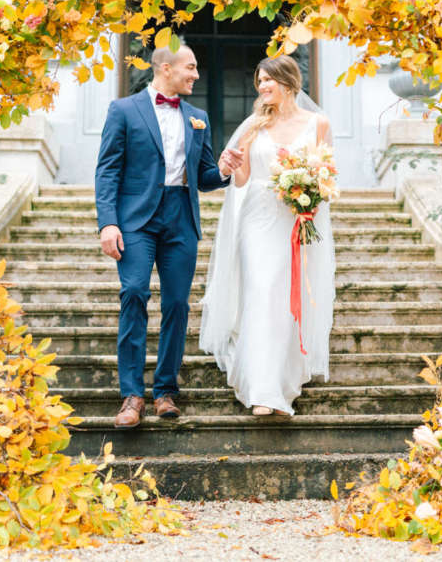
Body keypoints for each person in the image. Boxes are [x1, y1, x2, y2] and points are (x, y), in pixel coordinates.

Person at [95, 41, 244, 428]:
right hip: (135, 219)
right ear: (165, 68)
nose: (196, 75)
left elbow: (205, 177)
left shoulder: (198, 117)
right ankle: (131, 395)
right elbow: (108, 169)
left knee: (177, 305)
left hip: (181, 217)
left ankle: (164, 392)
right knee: (134, 293)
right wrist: (108, 222)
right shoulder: (123, 110)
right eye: (190, 67)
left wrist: (225, 169)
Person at [199, 55, 336, 416]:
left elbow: (326, 174)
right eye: (258, 81)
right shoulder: (253, 127)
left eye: (267, 81)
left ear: (287, 81)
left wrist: (308, 196)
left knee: (286, 300)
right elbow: (241, 180)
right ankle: (262, 391)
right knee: (260, 292)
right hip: (257, 219)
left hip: (294, 218)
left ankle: (281, 382)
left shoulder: (318, 124)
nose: (261, 87)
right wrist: (229, 165)